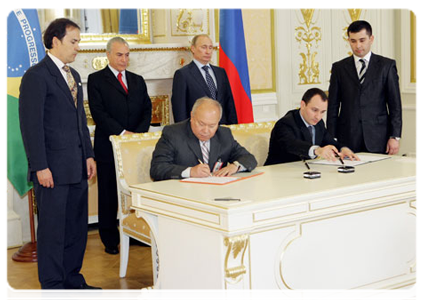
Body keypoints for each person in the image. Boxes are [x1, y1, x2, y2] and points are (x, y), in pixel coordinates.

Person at [19, 18, 102, 300]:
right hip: (51, 170)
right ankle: (52, 290)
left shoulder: (74, 76)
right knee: (53, 233)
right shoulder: (36, 76)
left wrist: (88, 155)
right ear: (55, 41)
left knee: (76, 230)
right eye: (73, 42)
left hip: (78, 167)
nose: (78, 48)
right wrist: (40, 166)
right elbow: (31, 127)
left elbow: (80, 121)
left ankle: (71, 278)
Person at [88, 37, 152, 255]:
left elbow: (147, 108)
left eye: (127, 55)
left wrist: (137, 134)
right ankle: (109, 239)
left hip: (134, 146)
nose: (124, 59)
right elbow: (99, 113)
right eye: (119, 55)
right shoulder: (96, 79)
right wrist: (123, 133)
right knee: (108, 194)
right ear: (108, 55)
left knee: (134, 191)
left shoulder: (138, 79)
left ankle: (135, 232)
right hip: (109, 146)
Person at [327, 20, 402, 155]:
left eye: (362, 40)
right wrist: (331, 138)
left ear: (371, 39)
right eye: (353, 41)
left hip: (378, 138)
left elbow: (395, 105)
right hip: (347, 138)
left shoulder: (386, 66)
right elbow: (333, 106)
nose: (358, 45)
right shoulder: (339, 68)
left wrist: (394, 136)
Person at [150, 98, 256, 181]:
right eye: (201, 124)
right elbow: (157, 168)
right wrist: (190, 172)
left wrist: (235, 166)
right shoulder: (173, 133)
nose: (205, 130)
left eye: (212, 126)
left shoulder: (224, 134)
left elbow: (249, 158)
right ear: (192, 116)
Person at [265, 88, 358, 166]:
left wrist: (343, 149)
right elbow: (293, 145)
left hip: (304, 172)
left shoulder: (319, 123)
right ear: (303, 105)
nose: (318, 116)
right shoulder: (285, 123)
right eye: (314, 110)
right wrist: (317, 150)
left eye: (322, 112)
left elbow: (330, 142)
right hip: (279, 174)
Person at [171, 34, 238, 125]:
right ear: (193, 49)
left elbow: (229, 103)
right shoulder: (183, 74)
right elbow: (179, 110)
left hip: (222, 129)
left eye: (210, 48)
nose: (208, 51)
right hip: (198, 130)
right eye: (204, 47)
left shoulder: (220, 72)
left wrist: (232, 128)